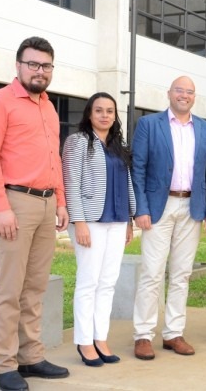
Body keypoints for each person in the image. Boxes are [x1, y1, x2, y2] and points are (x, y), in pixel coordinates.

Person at [0, 36, 70, 391]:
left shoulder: (48, 107)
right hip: (14, 201)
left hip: (46, 204)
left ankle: (31, 356)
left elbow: (54, 159)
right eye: (33, 64)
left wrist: (61, 202)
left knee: (34, 287)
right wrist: (0, 207)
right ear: (18, 65)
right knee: (8, 289)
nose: (40, 71)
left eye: (46, 65)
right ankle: (4, 365)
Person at [131, 76, 206, 360]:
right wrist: (141, 208)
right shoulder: (149, 124)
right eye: (179, 90)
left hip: (191, 208)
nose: (184, 95)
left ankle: (173, 333)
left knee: (182, 274)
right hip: (159, 206)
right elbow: (138, 168)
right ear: (169, 93)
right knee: (152, 272)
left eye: (189, 92)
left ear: (194, 97)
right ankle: (143, 335)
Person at [62, 92, 136, 367]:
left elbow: (126, 183)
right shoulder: (78, 142)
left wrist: (129, 218)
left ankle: (100, 338)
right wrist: (78, 222)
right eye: (99, 110)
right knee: (88, 281)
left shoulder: (119, 145)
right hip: (89, 221)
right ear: (89, 114)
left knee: (108, 282)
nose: (105, 115)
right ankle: (84, 341)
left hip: (117, 220)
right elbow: (70, 182)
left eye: (110, 111)